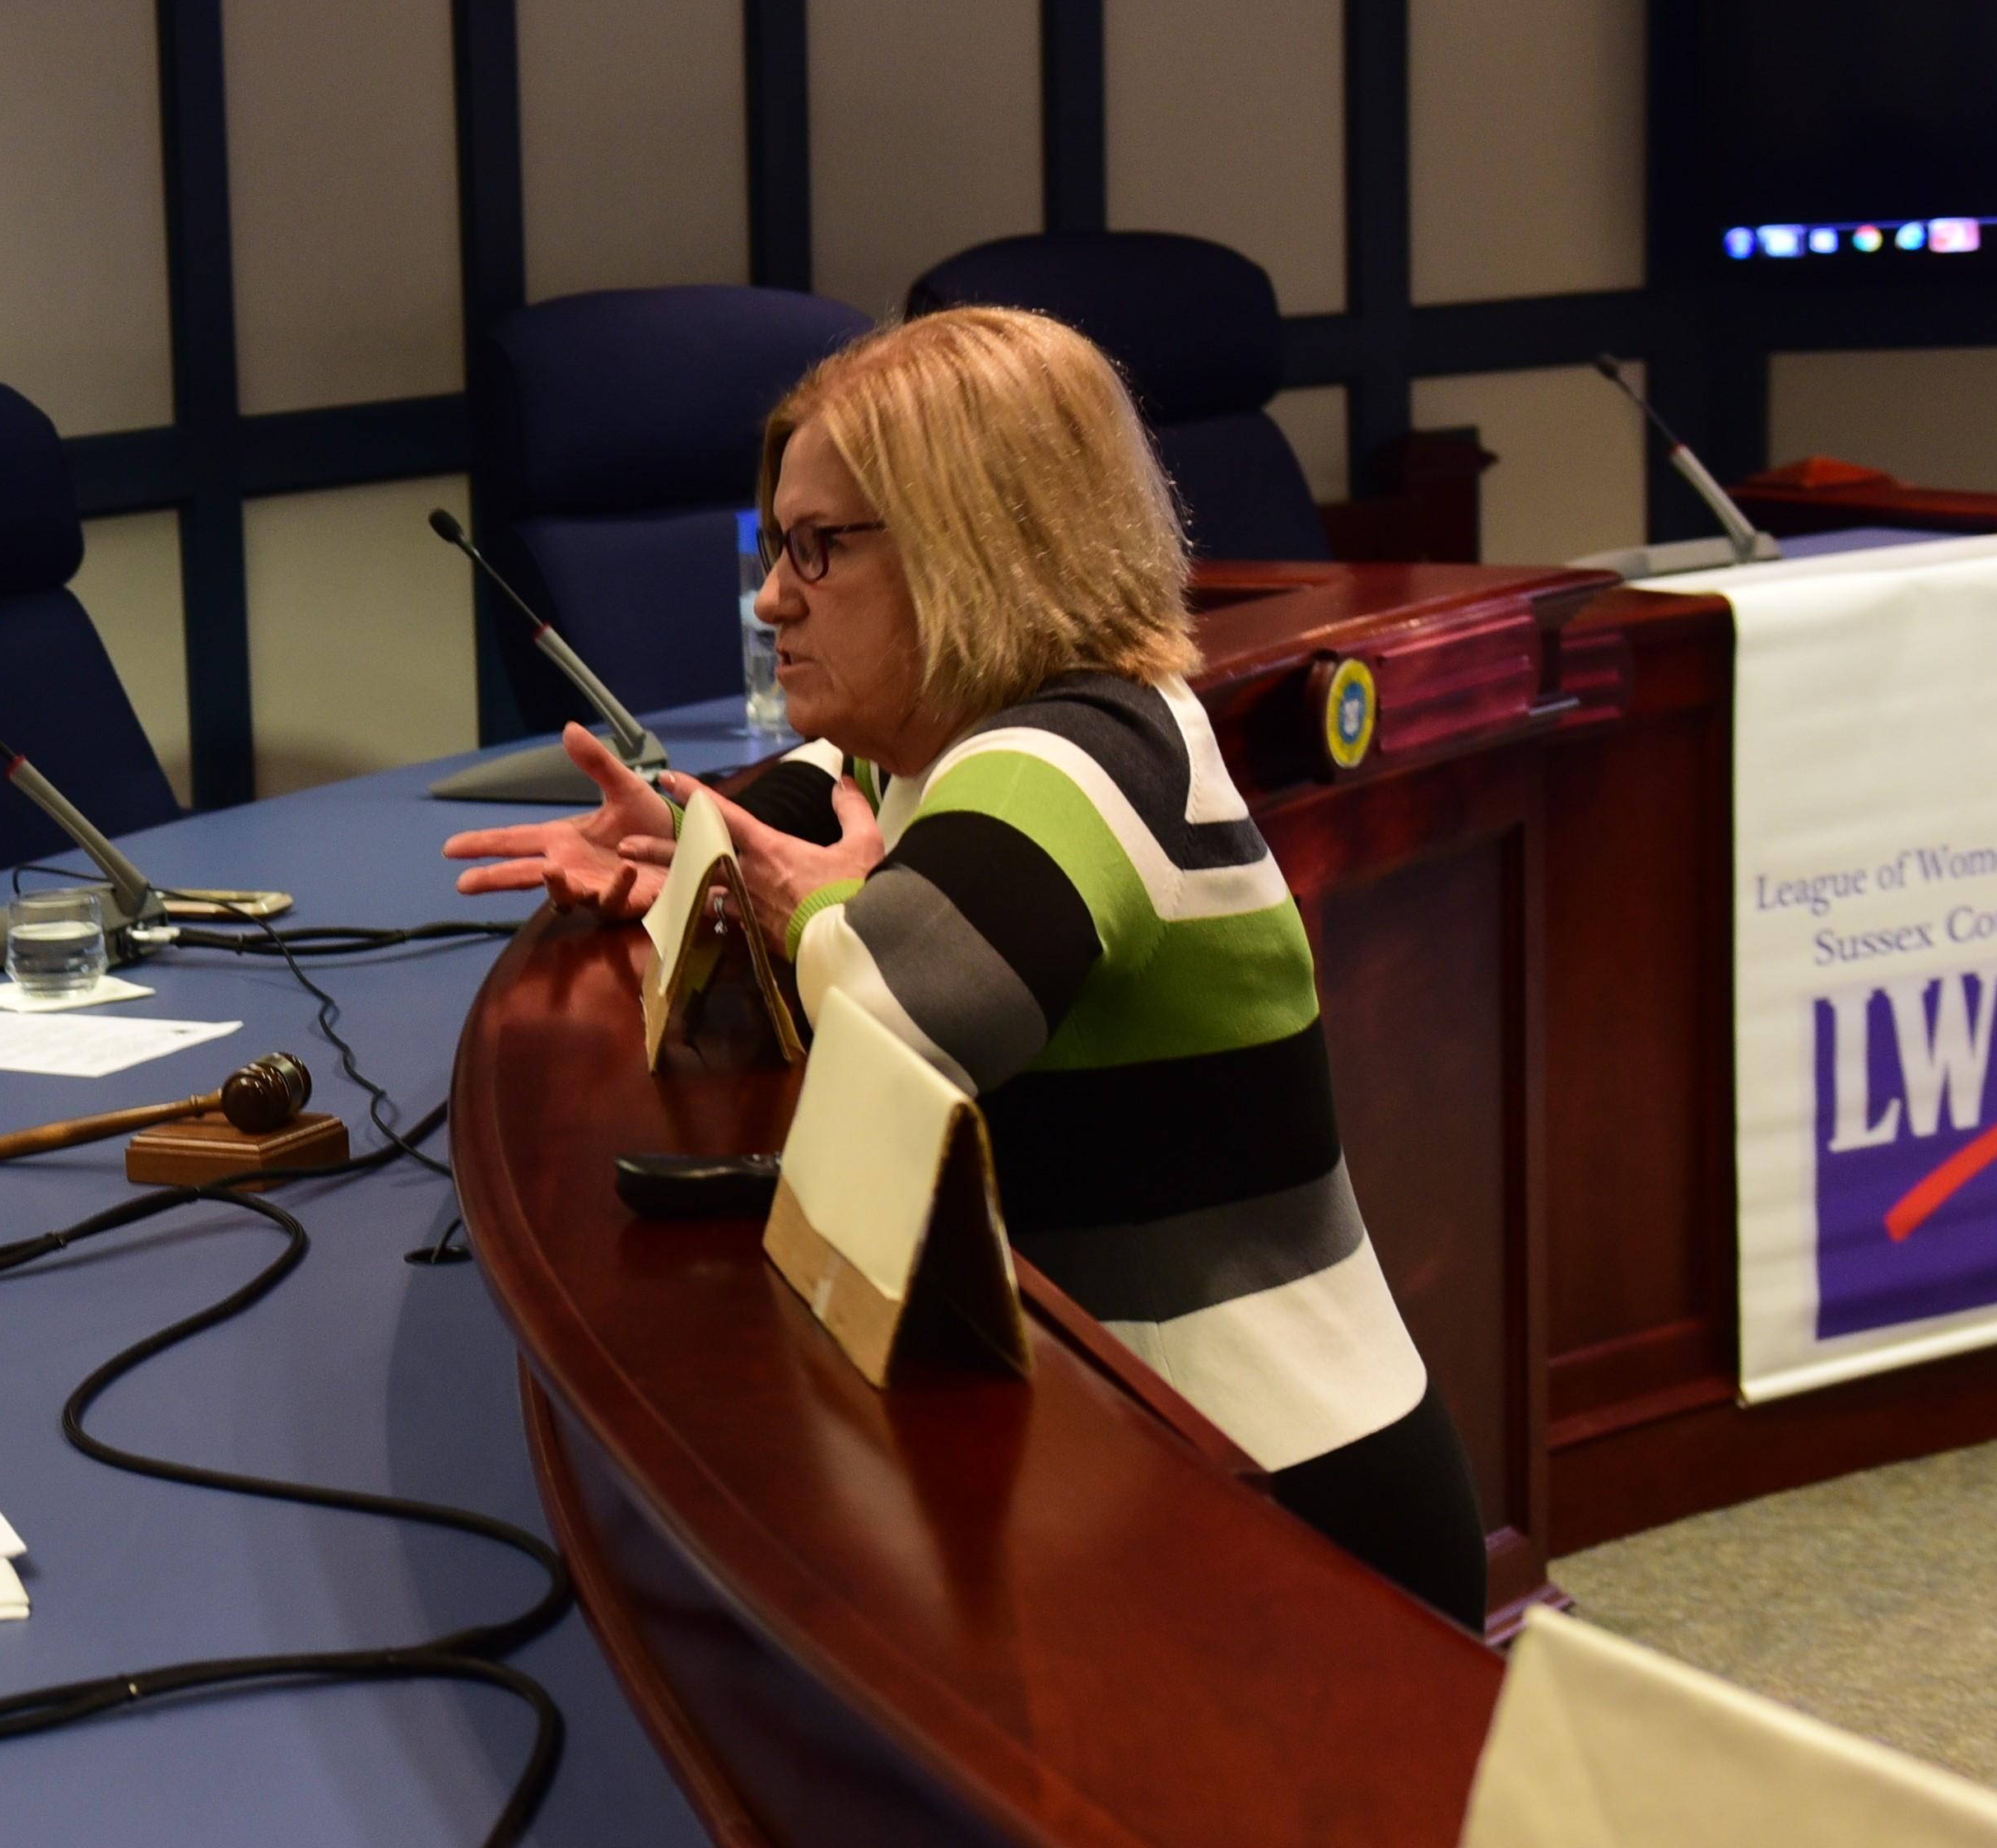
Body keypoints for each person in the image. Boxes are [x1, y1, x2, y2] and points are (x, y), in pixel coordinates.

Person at [449, 309, 1486, 1624]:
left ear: (972, 547)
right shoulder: (924, 750)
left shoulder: (1079, 753)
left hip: (1293, 1503)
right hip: (1174, 1466)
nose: (773, 598)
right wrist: (697, 856)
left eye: (818, 550)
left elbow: (896, 1006)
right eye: (777, 547)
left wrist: (793, 906)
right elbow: (786, 834)